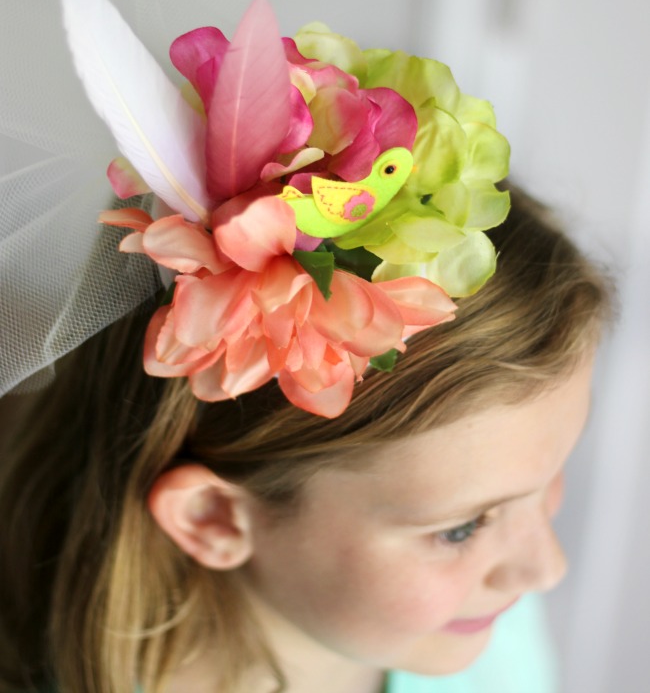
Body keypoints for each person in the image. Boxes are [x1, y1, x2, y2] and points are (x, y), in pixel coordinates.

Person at [0, 180, 609, 693]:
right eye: (460, 528)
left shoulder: (487, 635)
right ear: (215, 518)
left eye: (548, 475)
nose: (545, 567)